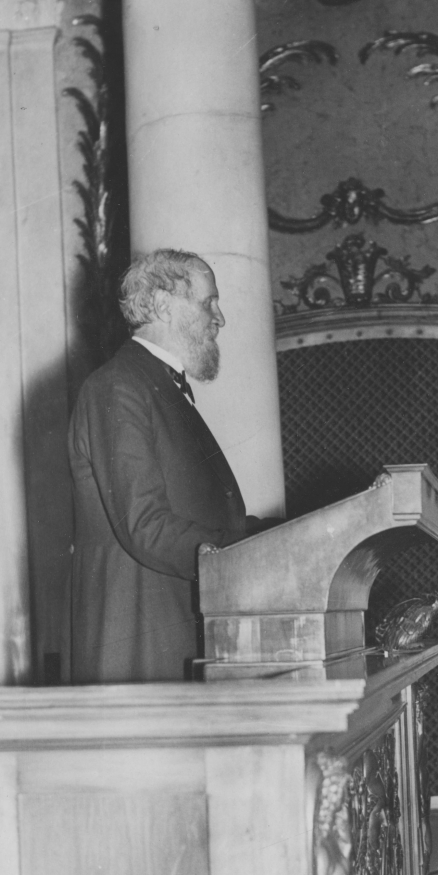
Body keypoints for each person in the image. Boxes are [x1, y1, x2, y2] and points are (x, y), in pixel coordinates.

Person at [68, 248, 252, 683]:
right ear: (164, 305)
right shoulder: (118, 386)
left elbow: (198, 515)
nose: (220, 318)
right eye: (208, 302)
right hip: (141, 647)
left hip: (171, 634)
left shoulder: (155, 384)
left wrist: (273, 535)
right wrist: (250, 555)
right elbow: (146, 526)